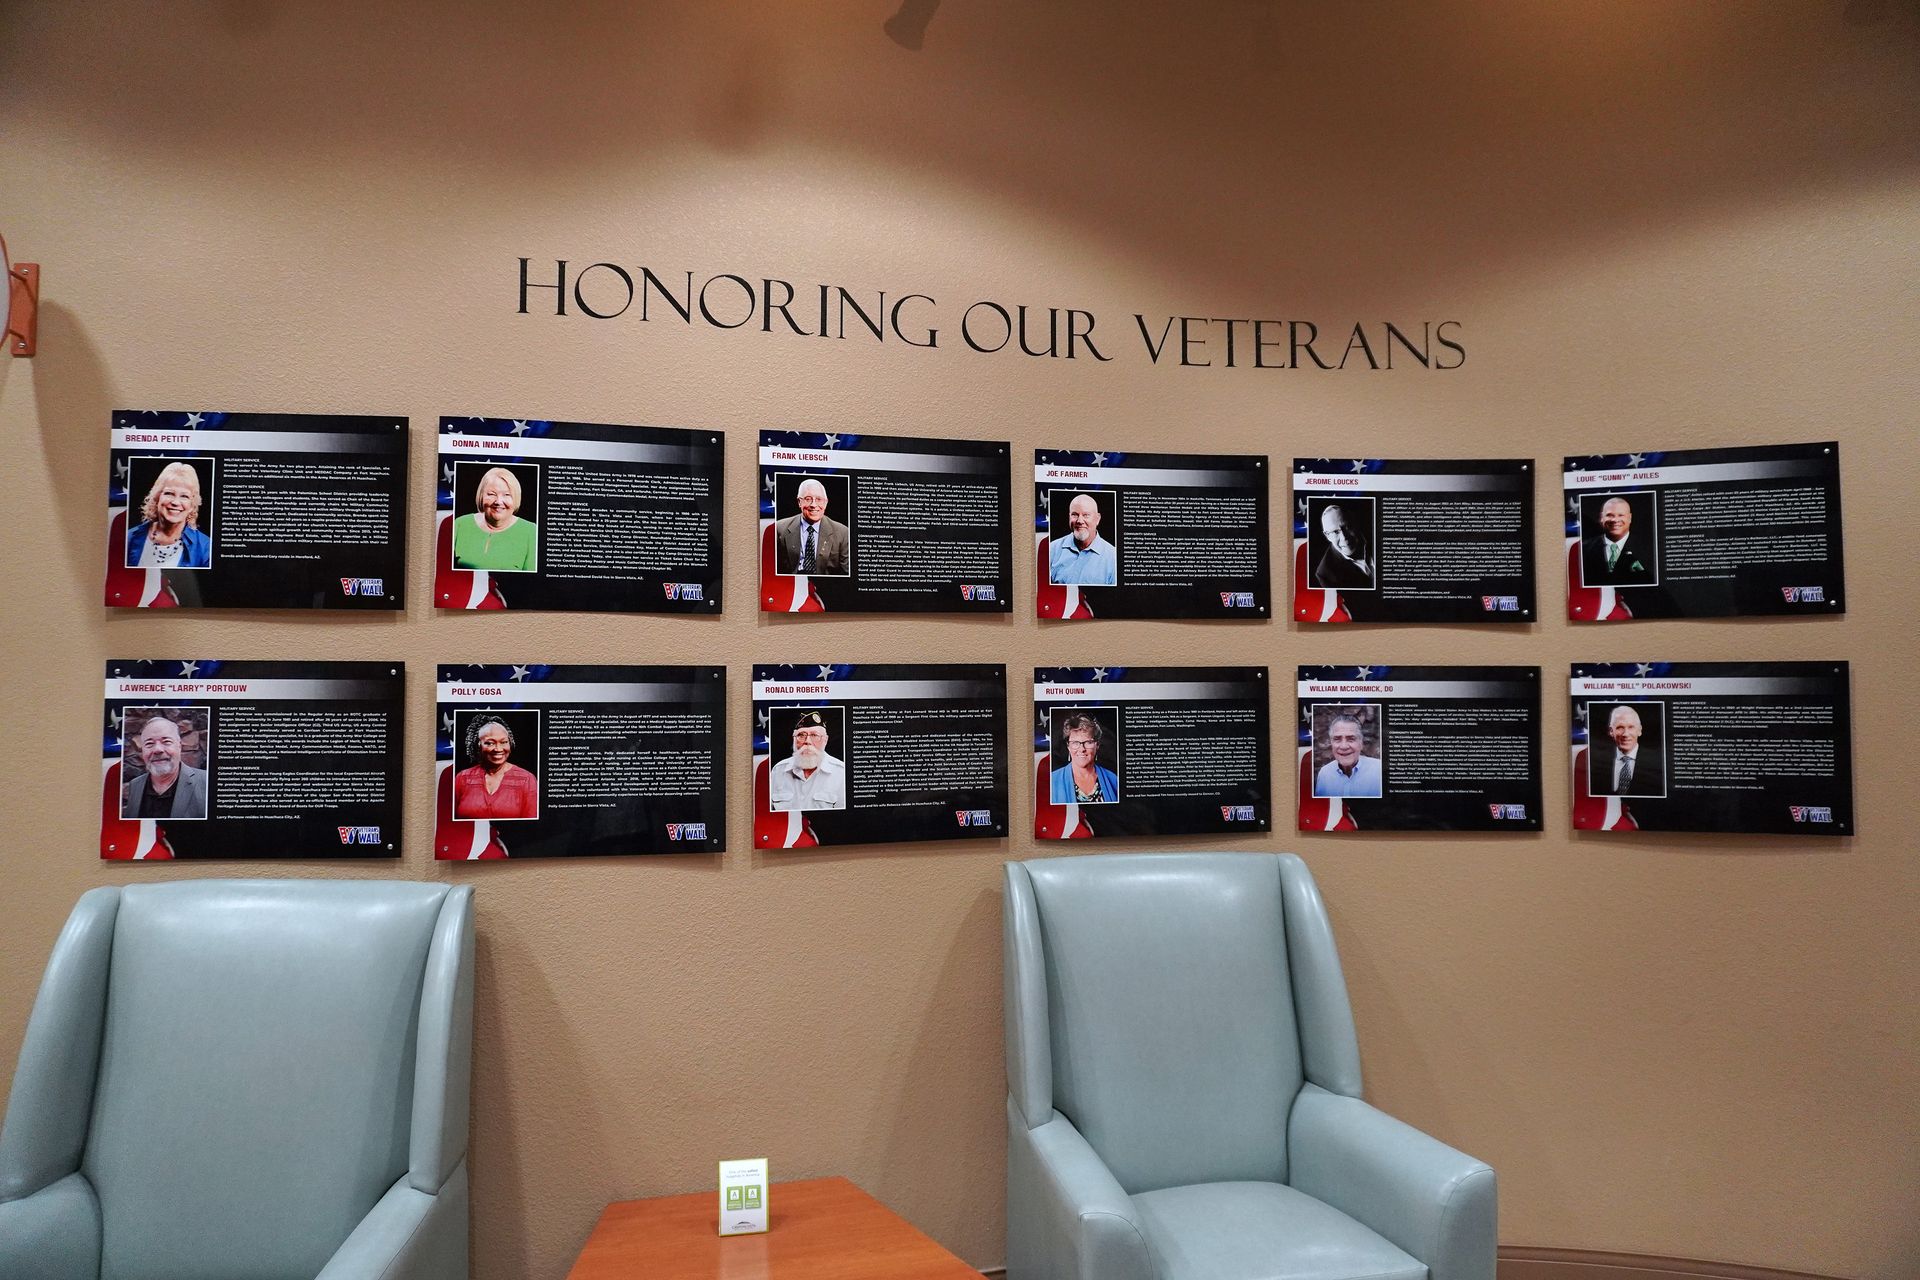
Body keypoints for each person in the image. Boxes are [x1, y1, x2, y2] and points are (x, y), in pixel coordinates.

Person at [121, 714, 209, 819]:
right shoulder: (135, 785)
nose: (158, 749)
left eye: (166, 742)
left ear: (179, 746)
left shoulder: (206, 783)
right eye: (149, 744)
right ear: (142, 750)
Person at [126, 462, 212, 568]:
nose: (175, 502)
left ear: (192, 505)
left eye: (184, 496)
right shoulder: (129, 538)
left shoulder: (206, 549)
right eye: (169, 493)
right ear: (157, 498)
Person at [453, 467, 539, 571]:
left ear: (516, 498)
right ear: (481, 496)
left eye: (507, 495)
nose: (498, 501)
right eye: (491, 494)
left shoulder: (531, 531)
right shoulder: (460, 524)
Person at [453, 717, 539, 819]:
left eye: (504, 742)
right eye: (490, 743)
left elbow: (530, 824)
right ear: (478, 746)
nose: (498, 749)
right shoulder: (462, 778)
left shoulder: (527, 779)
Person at [769, 710, 847, 810]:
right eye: (801, 735)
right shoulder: (778, 770)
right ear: (794, 739)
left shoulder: (841, 773)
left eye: (814, 735)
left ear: (825, 740)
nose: (807, 742)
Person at [775, 478, 850, 576]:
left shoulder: (843, 533)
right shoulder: (779, 529)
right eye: (808, 499)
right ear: (799, 502)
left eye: (819, 499)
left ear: (826, 503)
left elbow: (847, 574)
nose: (814, 505)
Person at [1592, 704, 1663, 796]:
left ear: (1639, 730)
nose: (1625, 734)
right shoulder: (1597, 761)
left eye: (1631, 727)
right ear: (1611, 731)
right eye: (1620, 727)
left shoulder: (1657, 762)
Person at [1582, 496, 1654, 585]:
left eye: (1621, 515)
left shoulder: (1649, 549)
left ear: (1630, 518)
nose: (1615, 520)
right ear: (1601, 517)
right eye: (1609, 515)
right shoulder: (1584, 549)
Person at [1049, 712, 1118, 803]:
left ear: (1097, 745)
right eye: (1075, 743)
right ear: (1068, 746)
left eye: (1088, 742)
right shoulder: (1051, 781)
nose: (1082, 749)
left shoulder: (1113, 779)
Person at [1049, 493, 1116, 586]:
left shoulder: (1113, 558)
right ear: (1069, 517)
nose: (1080, 521)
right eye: (1075, 515)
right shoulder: (1052, 549)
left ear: (1097, 519)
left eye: (1086, 515)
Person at [1314, 713, 1382, 798]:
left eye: (1351, 739)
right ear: (1331, 743)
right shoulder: (1324, 774)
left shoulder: (1379, 771)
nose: (1344, 746)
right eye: (1337, 739)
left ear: (1361, 743)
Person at [1313, 502, 1374, 589]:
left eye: (1347, 527)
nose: (1344, 537)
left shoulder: (1375, 531)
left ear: (1354, 522)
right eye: (1335, 532)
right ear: (1327, 536)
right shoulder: (1326, 573)